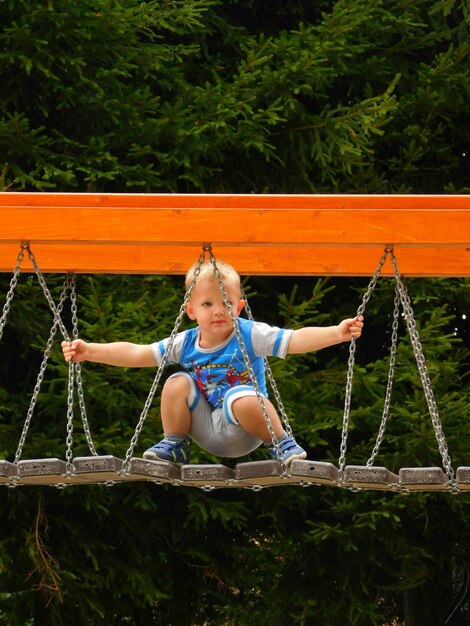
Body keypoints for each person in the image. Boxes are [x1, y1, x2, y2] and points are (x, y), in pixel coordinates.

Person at [61, 259, 364, 467]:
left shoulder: (249, 334)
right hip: (207, 430)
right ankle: (175, 443)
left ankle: (282, 443)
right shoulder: (186, 342)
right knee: (176, 382)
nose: (218, 311)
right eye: (207, 304)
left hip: (247, 429)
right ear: (191, 310)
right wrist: (91, 351)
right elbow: (140, 353)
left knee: (238, 395)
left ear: (239, 307)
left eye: (226, 303)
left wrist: (337, 333)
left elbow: (294, 339)